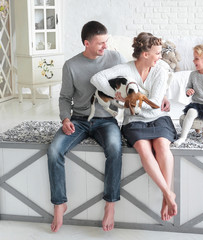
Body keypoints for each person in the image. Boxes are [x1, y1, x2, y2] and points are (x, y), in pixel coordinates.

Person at [47, 21, 126, 232]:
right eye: (100, 43)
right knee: (54, 150)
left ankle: (110, 204)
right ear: (86, 43)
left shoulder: (116, 58)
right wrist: (65, 120)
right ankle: (59, 203)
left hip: (106, 120)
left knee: (115, 149)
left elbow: (130, 82)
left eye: (106, 42)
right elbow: (64, 98)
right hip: (79, 120)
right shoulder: (71, 66)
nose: (105, 47)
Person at [91, 32, 178, 221]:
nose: (160, 56)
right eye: (157, 53)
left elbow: (155, 103)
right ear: (145, 54)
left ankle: (166, 196)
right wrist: (115, 94)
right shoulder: (126, 69)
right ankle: (168, 193)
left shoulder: (160, 70)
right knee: (144, 150)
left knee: (162, 146)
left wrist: (133, 100)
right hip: (134, 121)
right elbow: (96, 79)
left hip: (158, 117)